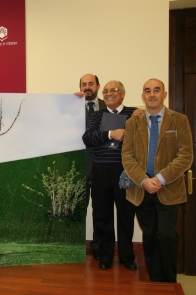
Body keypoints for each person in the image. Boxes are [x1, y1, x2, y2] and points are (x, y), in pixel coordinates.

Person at [122, 79, 193, 282]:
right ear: (143, 96)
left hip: (169, 189)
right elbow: (127, 158)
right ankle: (155, 280)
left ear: (164, 94)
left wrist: (160, 178)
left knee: (166, 235)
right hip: (141, 190)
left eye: (156, 90)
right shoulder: (132, 123)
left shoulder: (179, 120)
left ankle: (169, 281)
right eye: (147, 91)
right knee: (150, 235)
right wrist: (144, 181)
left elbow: (185, 156)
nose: (152, 94)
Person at [82, 80, 137, 271]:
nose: (108, 93)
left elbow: (142, 139)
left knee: (126, 216)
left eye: (113, 90)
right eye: (105, 91)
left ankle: (127, 256)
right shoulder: (97, 115)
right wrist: (111, 134)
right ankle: (105, 255)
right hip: (100, 171)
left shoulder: (134, 113)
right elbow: (88, 138)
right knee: (102, 215)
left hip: (125, 173)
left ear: (123, 93)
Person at [77, 73, 107, 260]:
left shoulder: (108, 107)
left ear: (97, 86)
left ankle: (99, 246)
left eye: (91, 84)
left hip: (102, 164)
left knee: (101, 209)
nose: (87, 87)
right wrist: (69, 100)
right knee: (79, 207)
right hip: (79, 164)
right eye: (83, 84)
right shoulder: (71, 105)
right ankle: (76, 246)